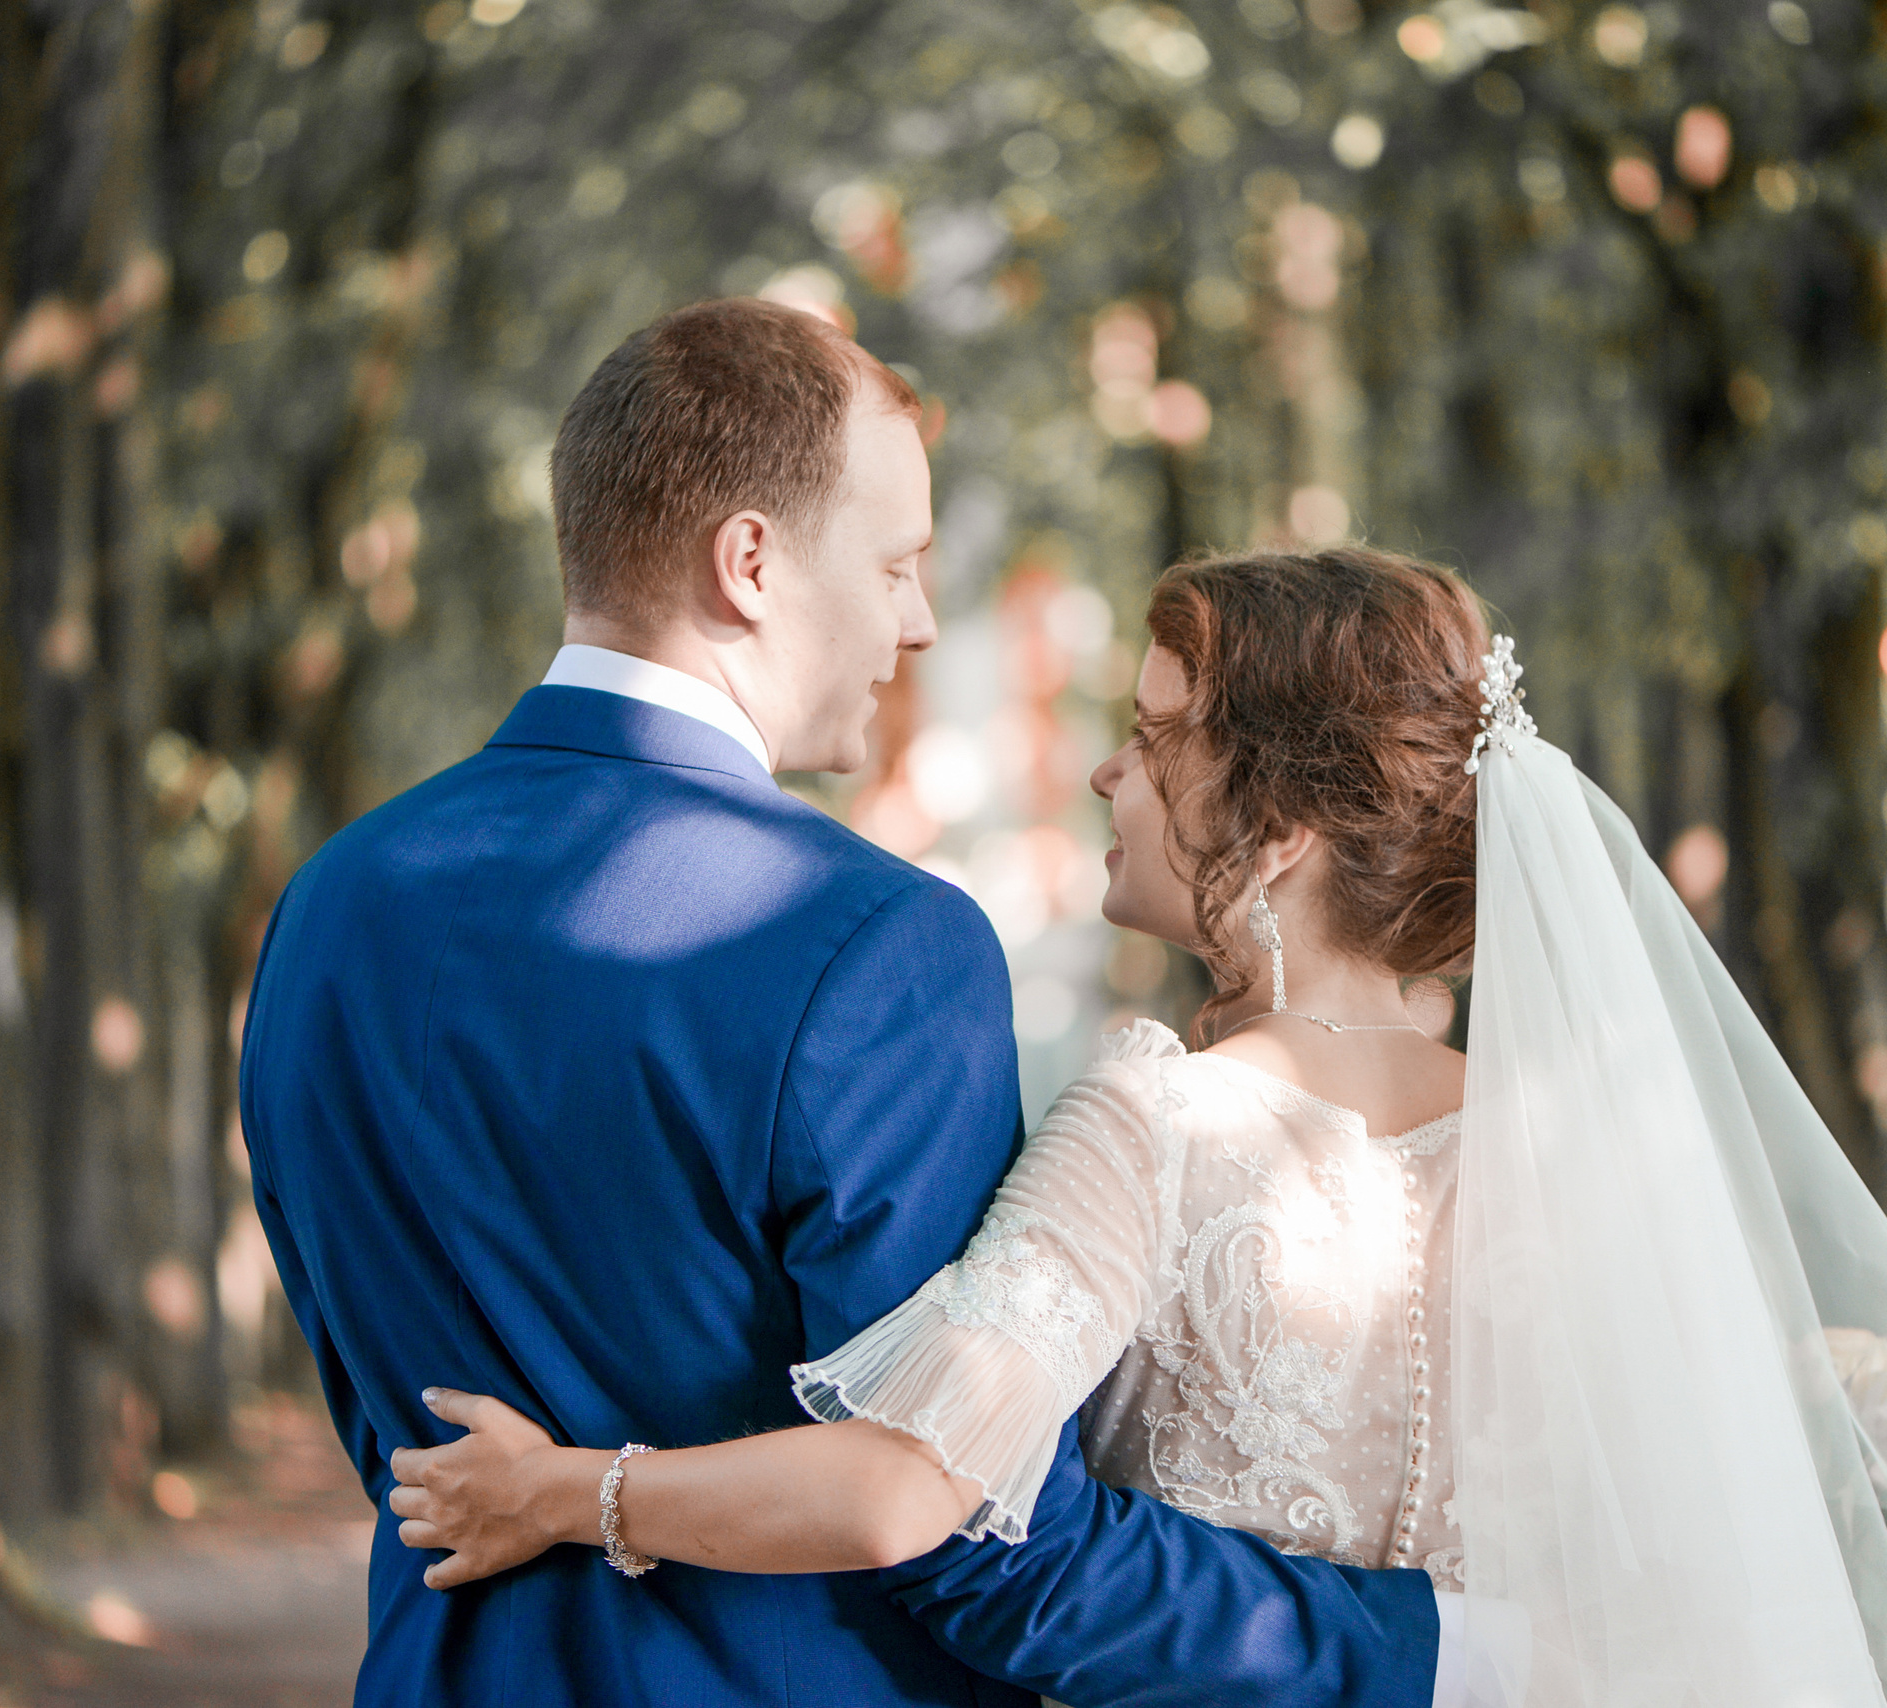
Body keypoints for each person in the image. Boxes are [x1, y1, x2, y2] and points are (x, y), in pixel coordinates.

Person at [390, 544, 1887, 1708]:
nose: (1109, 773)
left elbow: (910, 1492)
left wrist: (570, 1492)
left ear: (1284, 833)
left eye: (1156, 741)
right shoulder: (1594, 1159)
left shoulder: (1158, 1122)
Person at [236, 297, 1449, 1708]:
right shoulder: (875, 945)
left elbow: (381, 1407)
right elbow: (967, 1528)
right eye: (895, 566)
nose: (918, 623)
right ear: (749, 563)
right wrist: (1430, 1647)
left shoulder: (328, 906)